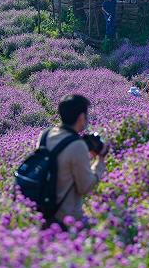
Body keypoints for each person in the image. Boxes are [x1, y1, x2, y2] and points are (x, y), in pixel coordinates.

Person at [37, 95, 108, 229]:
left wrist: (85, 158)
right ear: (81, 117)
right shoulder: (77, 145)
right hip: (66, 219)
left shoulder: (45, 135)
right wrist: (100, 160)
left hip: (42, 212)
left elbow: (59, 164)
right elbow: (85, 187)